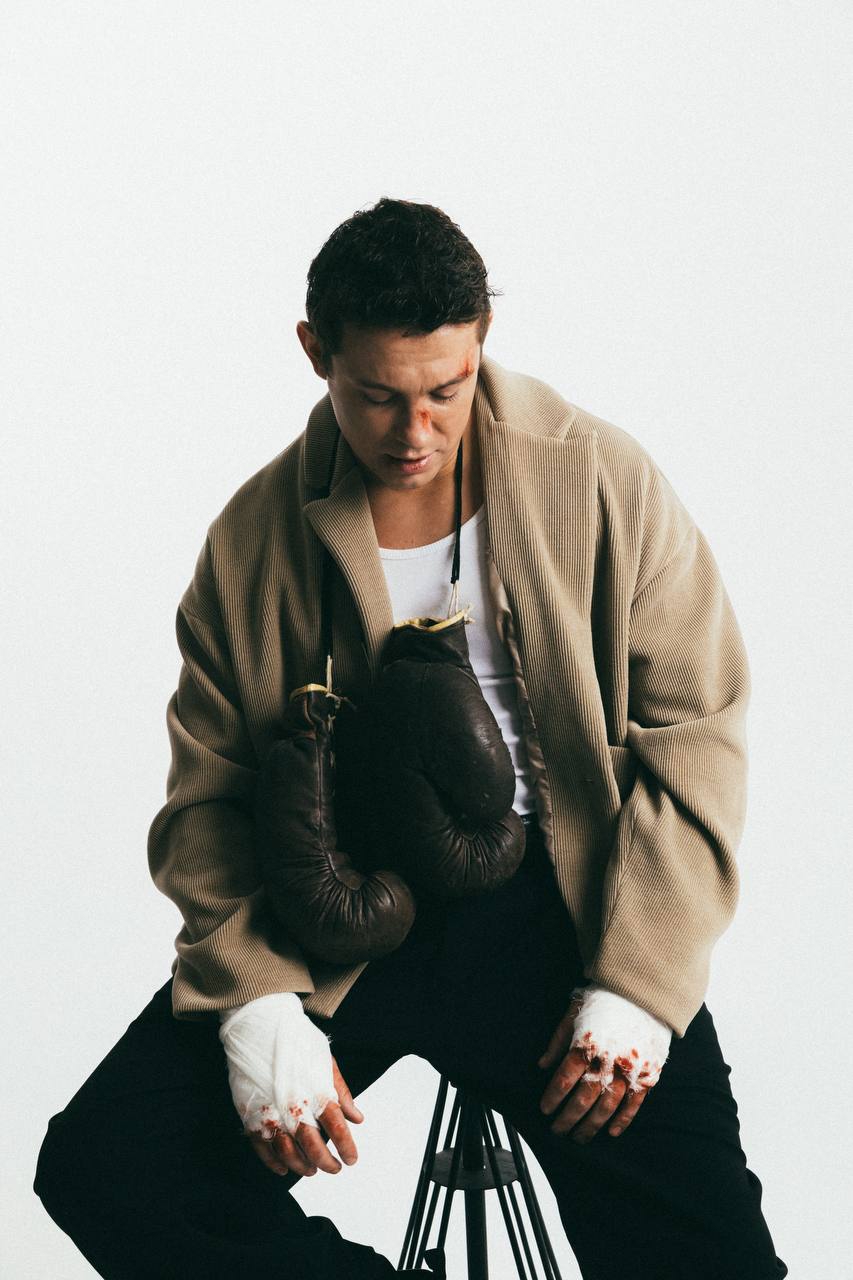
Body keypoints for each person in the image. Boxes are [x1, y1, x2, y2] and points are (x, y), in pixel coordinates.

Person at [34, 197, 788, 1278]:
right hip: (341, 915)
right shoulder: (252, 541)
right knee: (107, 1166)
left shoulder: (598, 475)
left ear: (482, 341)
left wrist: (638, 980)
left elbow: (696, 731)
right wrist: (255, 1002)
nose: (415, 431)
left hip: (565, 913)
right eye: (378, 395)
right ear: (316, 354)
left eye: (446, 388)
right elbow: (208, 800)